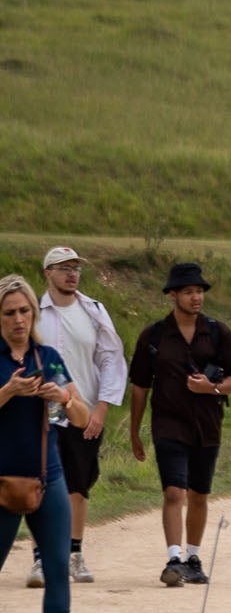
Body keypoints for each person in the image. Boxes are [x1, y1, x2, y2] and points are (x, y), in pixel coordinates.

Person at [0, 274, 93, 613]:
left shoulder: (48, 357)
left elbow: (83, 419)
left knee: (57, 569)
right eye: (9, 313)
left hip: (47, 478)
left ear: (34, 313)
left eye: (24, 311)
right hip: (0, 481)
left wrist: (64, 398)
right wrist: (8, 391)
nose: (18, 319)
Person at [128, 263, 231, 586]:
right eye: (188, 292)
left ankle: (193, 558)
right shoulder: (153, 336)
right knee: (174, 491)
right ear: (172, 295)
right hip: (168, 424)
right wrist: (134, 431)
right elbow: (140, 386)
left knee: (198, 494)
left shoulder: (218, 332)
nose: (196, 298)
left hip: (207, 424)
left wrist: (212, 388)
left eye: (199, 291)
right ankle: (173, 559)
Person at [35, 245, 128, 584]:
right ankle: (41, 558)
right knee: (40, 483)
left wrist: (102, 407)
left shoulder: (94, 311)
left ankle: (74, 553)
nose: (71, 273)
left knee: (79, 484)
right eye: (63, 268)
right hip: (42, 410)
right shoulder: (34, 313)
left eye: (75, 267)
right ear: (48, 273)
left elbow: (110, 359)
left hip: (82, 409)